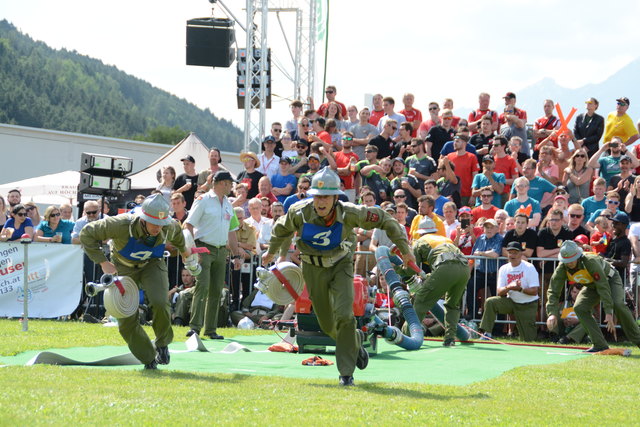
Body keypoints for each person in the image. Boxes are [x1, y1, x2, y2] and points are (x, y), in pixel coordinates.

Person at [262, 167, 415, 387]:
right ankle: (354, 343)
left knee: (344, 316)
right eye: (317, 196)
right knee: (326, 324)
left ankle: (346, 374)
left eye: (326, 196)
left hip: (341, 265)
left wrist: (405, 250)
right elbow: (281, 229)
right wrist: (273, 252)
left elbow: (385, 219)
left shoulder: (350, 212)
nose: (321, 201)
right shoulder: (299, 211)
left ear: (335, 197)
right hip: (312, 269)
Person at [79, 194, 192, 369]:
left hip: (152, 264)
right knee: (126, 318)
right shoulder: (120, 224)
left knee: (160, 302)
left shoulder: (168, 226)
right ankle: (148, 358)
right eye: (154, 223)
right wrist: (103, 262)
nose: (158, 228)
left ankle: (162, 344)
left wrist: (186, 253)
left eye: (161, 224)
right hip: (122, 267)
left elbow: (178, 238)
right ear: (143, 219)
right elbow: (87, 233)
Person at [547, 241, 640, 352]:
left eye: (572, 260)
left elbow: (603, 287)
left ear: (578, 256)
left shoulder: (590, 262)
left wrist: (609, 312)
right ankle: (599, 344)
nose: (569, 263)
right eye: (566, 261)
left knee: (617, 304)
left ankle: (638, 339)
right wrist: (552, 314)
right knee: (579, 308)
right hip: (591, 285)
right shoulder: (562, 268)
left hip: (609, 280)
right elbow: (553, 290)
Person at [184, 171, 244, 340]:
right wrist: (193, 251)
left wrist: (236, 256)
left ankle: (210, 330)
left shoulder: (228, 204)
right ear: (221, 183)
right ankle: (194, 328)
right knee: (202, 286)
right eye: (229, 183)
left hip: (221, 251)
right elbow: (188, 225)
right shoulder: (202, 201)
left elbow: (232, 232)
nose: (232, 186)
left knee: (217, 290)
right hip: (203, 248)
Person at [399, 216, 470, 346]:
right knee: (452, 305)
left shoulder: (420, 241)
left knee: (421, 299)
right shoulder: (445, 239)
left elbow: (411, 268)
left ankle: (408, 336)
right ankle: (450, 338)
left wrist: (399, 270)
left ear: (419, 232)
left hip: (446, 267)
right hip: (464, 268)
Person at [479, 241, 540, 341]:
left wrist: (520, 289)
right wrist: (509, 287)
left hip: (528, 304)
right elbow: (499, 292)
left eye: (515, 253)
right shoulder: (503, 268)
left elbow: (534, 291)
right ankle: (487, 333)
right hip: (511, 302)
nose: (512, 255)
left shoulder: (529, 267)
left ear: (521, 254)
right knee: (491, 302)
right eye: (510, 252)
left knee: (529, 340)